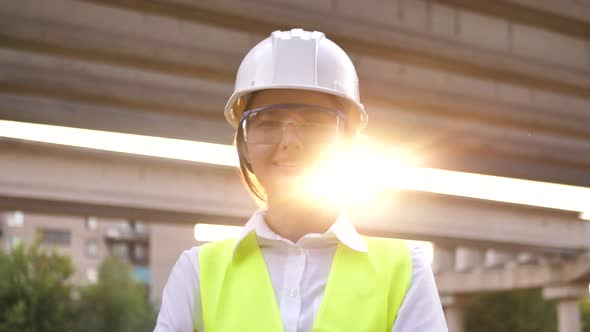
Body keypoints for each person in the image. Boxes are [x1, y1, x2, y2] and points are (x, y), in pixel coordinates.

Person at [154, 28, 448, 332]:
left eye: (315, 123)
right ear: (244, 142)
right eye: (268, 122)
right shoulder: (197, 274)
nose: (290, 140)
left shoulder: (405, 272)